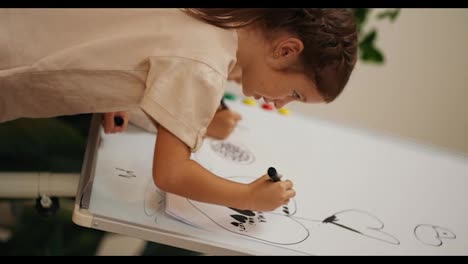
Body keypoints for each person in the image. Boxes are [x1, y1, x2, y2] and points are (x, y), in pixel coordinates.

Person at [0, 8, 358, 211]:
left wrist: (115, 96)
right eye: (294, 93)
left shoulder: (216, 18)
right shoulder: (206, 65)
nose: (280, 104)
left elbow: (131, 49)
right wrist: (247, 197)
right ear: (285, 51)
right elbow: (171, 173)